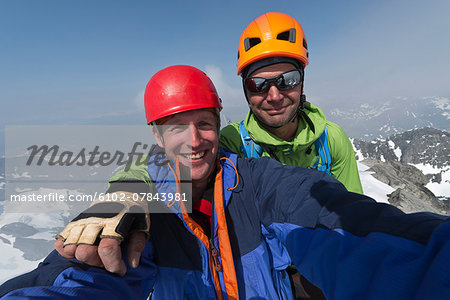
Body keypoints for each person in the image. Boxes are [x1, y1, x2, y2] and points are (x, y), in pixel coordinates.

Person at [1, 65, 449, 299]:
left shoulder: (259, 184)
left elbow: (350, 224)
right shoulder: (143, 214)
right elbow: (70, 280)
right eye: (177, 127)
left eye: (204, 123)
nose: (194, 140)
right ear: (157, 137)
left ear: (220, 123)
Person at [220, 12, 363, 195]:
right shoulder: (233, 143)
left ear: (301, 81)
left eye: (288, 80)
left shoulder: (332, 141)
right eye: (257, 84)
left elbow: (353, 215)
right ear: (246, 91)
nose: (274, 96)